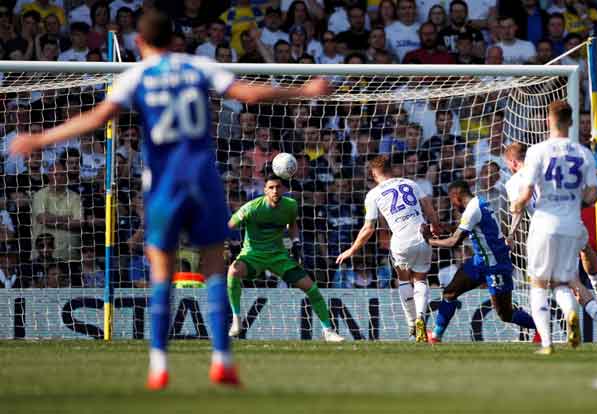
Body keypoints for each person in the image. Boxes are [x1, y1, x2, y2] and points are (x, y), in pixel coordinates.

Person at [9, 10, 330, 390]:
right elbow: (248, 93)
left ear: (140, 43)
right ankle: (222, 359)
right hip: (202, 178)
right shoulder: (195, 67)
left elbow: (97, 118)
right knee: (214, 266)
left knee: (161, 272)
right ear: (175, 41)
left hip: (163, 184)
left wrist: (40, 140)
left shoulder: (138, 76)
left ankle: (159, 365)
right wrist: (303, 91)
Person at [511, 101, 597, 354]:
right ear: (571, 122)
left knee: (538, 283)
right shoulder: (584, 153)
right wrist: (572, 200)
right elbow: (592, 195)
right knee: (562, 283)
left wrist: (517, 204)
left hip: (544, 223)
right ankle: (572, 313)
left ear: (549, 120)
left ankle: (547, 344)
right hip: (572, 225)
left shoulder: (537, 151)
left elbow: (527, 192)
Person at [503, 142, 597, 343]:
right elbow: (580, 168)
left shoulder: (513, 182)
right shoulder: (546, 167)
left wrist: (510, 235)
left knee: (554, 283)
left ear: (512, 162)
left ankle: (561, 328)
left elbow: (518, 209)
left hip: (546, 231)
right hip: (571, 221)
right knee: (583, 252)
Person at [227, 174, 344, 343]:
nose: (275, 190)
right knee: (233, 271)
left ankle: (328, 331)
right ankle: (236, 320)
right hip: (253, 255)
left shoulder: (290, 205)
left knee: (311, 288)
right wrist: (226, 243)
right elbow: (230, 224)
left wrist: (296, 242)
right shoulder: (251, 208)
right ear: (265, 190)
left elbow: (292, 224)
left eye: (278, 187)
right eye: (271, 187)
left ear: (283, 189)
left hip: (278, 256)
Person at [336, 156, 441, 342]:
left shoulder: (373, 194)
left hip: (401, 242)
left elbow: (369, 229)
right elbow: (429, 208)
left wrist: (351, 250)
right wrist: (434, 226)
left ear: (373, 174)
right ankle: (420, 320)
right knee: (421, 280)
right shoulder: (411, 184)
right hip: (423, 238)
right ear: (391, 169)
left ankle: (412, 325)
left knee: (403, 280)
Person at [423, 180, 537, 343]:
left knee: (505, 314)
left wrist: (429, 241)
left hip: (495, 265)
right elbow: (473, 229)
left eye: (451, 200)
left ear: (456, 195)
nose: (452, 205)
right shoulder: (479, 202)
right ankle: (436, 336)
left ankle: (541, 329)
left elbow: (454, 242)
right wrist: (446, 227)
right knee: (449, 292)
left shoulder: (472, 210)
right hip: (479, 262)